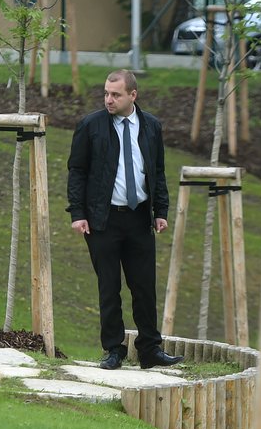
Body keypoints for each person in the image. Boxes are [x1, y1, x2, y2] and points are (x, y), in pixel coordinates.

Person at [66, 69, 183, 371]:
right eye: (106, 93)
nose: (108, 99)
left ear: (133, 95)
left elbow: (156, 171)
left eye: (115, 94)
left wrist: (161, 211)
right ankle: (114, 350)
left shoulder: (151, 127)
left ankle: (150, 349)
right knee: (109, 286)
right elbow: (77, 171)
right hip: (103, 220)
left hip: (139, 218)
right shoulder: (91, 126)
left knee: (144, 286)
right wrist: (78, 214)